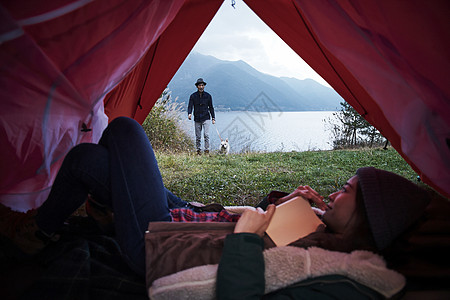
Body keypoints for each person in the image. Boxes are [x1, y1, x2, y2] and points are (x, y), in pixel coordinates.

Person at [0, 117, 431, 298]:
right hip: (191, 215)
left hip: (158, 243)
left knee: (125, 130)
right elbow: (267, 226)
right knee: (88, 161)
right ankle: (43, 230)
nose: (336, 191)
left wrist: (246, 236)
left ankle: (52, 228)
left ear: (369, 215)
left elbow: (245, 279)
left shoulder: (326, 266)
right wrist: (284, 205)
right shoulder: (322, 232)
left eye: (347, 191)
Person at [188, 78, 215, 155]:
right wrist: (189, 113)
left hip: (206, 117)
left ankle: (207, 150)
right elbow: (190, 106)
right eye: (199, 85)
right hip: (197, 118)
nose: (201, 87)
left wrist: (213, 118)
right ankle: (198, 151)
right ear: (197, 86)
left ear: (204, 86)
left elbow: (211, 107)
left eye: (202, 85)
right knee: (198, 136)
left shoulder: (208, 96)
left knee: (206, 135)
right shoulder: (193, 96)